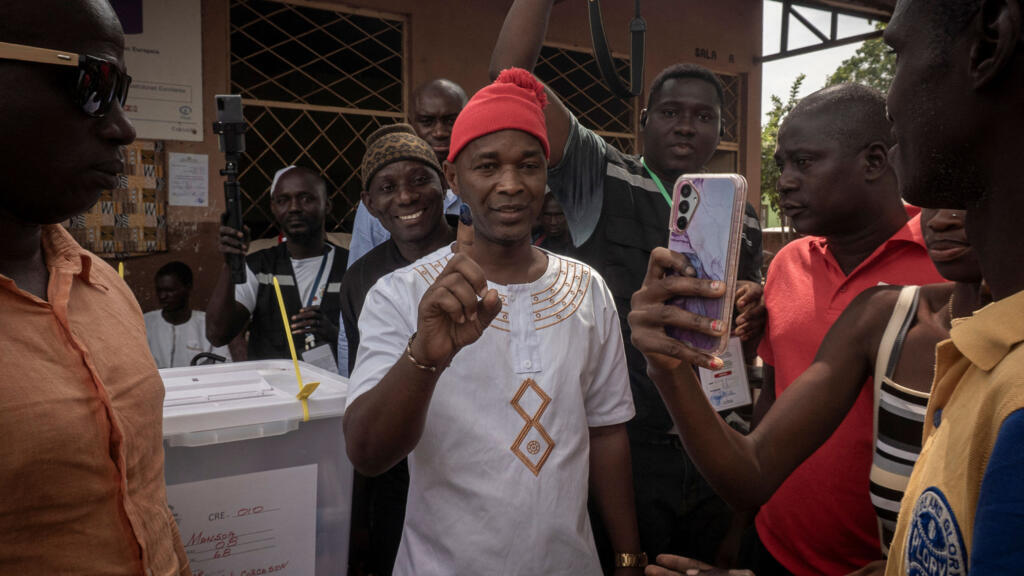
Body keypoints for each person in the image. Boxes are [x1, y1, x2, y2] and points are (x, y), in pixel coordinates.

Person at [491, 0, 765, 564]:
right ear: (644, 120)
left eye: (704, 115)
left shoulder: (741, 212)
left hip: (718, 438)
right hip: (629, 447)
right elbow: (509, 83)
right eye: (670, 112)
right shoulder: (602, 175)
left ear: (722, 128)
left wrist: (754, 301)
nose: (686, 124)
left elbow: (748, 323)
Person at [344, 69, 644, 575]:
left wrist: (629, 557)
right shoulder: (401, 295)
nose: (511, 184)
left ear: (546, 175)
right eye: (487, 166)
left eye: (528, 165)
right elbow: (367, 454)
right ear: (454, 178)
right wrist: (423, 357)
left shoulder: (587, 289)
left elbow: (607, 432)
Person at [631, 209, 987, 576]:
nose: (942, 218)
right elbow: (752, 469)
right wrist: (667, 365)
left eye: (973, 191)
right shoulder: (888, 315)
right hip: (777, 547)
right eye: (933, 196)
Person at [0, 1, 190, 573]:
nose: (122, 127)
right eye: (93, 83)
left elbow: (148, 504)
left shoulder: (102, 285)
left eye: (120, 92)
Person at [880, 1, 1024, 573]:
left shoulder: (1018, 403)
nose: (888, 100)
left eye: (898, 54)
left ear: (987, 45)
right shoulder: (995, 350)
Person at [340, 123, 456, 576]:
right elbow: (365, 386)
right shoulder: (361, 279)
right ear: (370, 204)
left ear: (444, 184)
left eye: (419, 179)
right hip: (398, 472)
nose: (406, 197)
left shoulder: (479, 252)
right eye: (387, 188)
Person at [207, 166, 347, 369]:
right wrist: (230, 264)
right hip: (273, 385)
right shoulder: (258, 267)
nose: (294, 207)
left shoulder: (351, 266)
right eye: (283, 200)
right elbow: (217, 335)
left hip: (336, 386)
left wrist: (335, 334)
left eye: (306, 198)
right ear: (273, 208)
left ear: (327, 205)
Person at [347, 79, 467, 267]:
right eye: (427, 122)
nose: (439, 132)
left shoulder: (482, 186)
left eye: (451, 121)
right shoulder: (378, 200)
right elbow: (362, 269)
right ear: (411, 124)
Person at [144, 261, 231, 368]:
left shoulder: (208, 324)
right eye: (159, 290)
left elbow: (223, 363)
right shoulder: (144, 324)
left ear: (188, 288)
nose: (162, 296)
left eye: (169, 290)